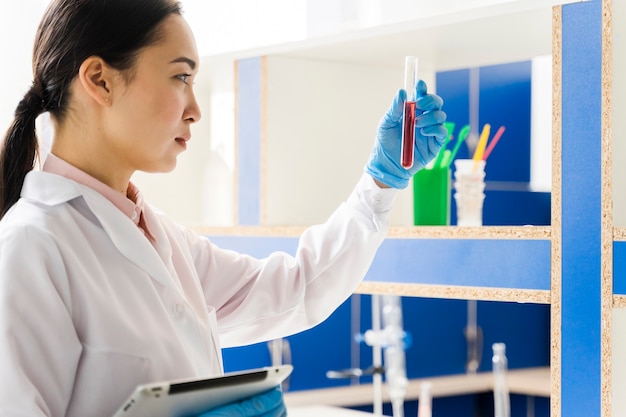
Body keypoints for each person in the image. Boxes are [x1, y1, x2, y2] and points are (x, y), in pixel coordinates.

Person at [0, 0, 447, 416]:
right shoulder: (30, 247)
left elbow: (297, 289)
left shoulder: (163, 240)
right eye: (181, 77)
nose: (195, 109)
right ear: (100, 79)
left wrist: (381, 182)